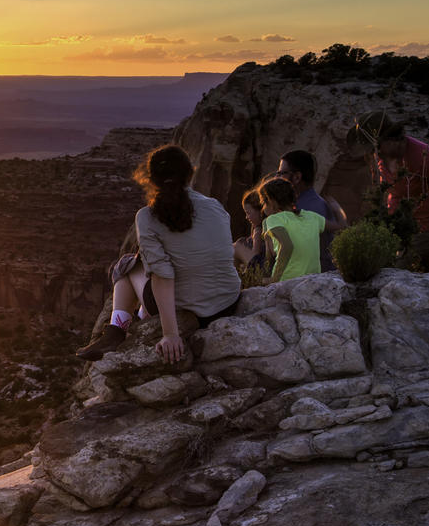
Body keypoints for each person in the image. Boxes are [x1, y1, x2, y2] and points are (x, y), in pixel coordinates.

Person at [76, 145, 241, 364]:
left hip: (190, 308)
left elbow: (163, 274)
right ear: (190, 172)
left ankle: (117, 328)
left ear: (151, 179)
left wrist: (170, 334)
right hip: (228, 301)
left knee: (126, 265)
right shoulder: (215, 206)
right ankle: (133, 319)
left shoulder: (147, 216)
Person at [346, 111, 429, 272]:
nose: (374, 152)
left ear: (390, 139)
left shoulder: (423, 157)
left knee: (401, 276)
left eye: (375, 147)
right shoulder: (383, 156)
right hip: (404, 230)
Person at [276, 150, 346, 271]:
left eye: (282, 173)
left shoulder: (305, 209)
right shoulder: (308, 203)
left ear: (297, 177)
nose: (277, 178)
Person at [258, 178, 328, 283]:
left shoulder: (273, 219)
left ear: (271, 201)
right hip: (313, 279)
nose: (263, 208)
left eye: (263, 202)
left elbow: (285, 247)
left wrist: (274, 279)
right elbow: (339, 226)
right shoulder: (312, 217)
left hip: (287, 280)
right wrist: (337, 210)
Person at [233, 186, 270, 270]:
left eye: (248, 213)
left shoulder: (259, 230)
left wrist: (246, 269)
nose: (246, 217)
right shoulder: (263, 226)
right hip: (261, 265)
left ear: (260, 212)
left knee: (235, 247)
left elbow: (255, 255)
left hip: (259, 269)